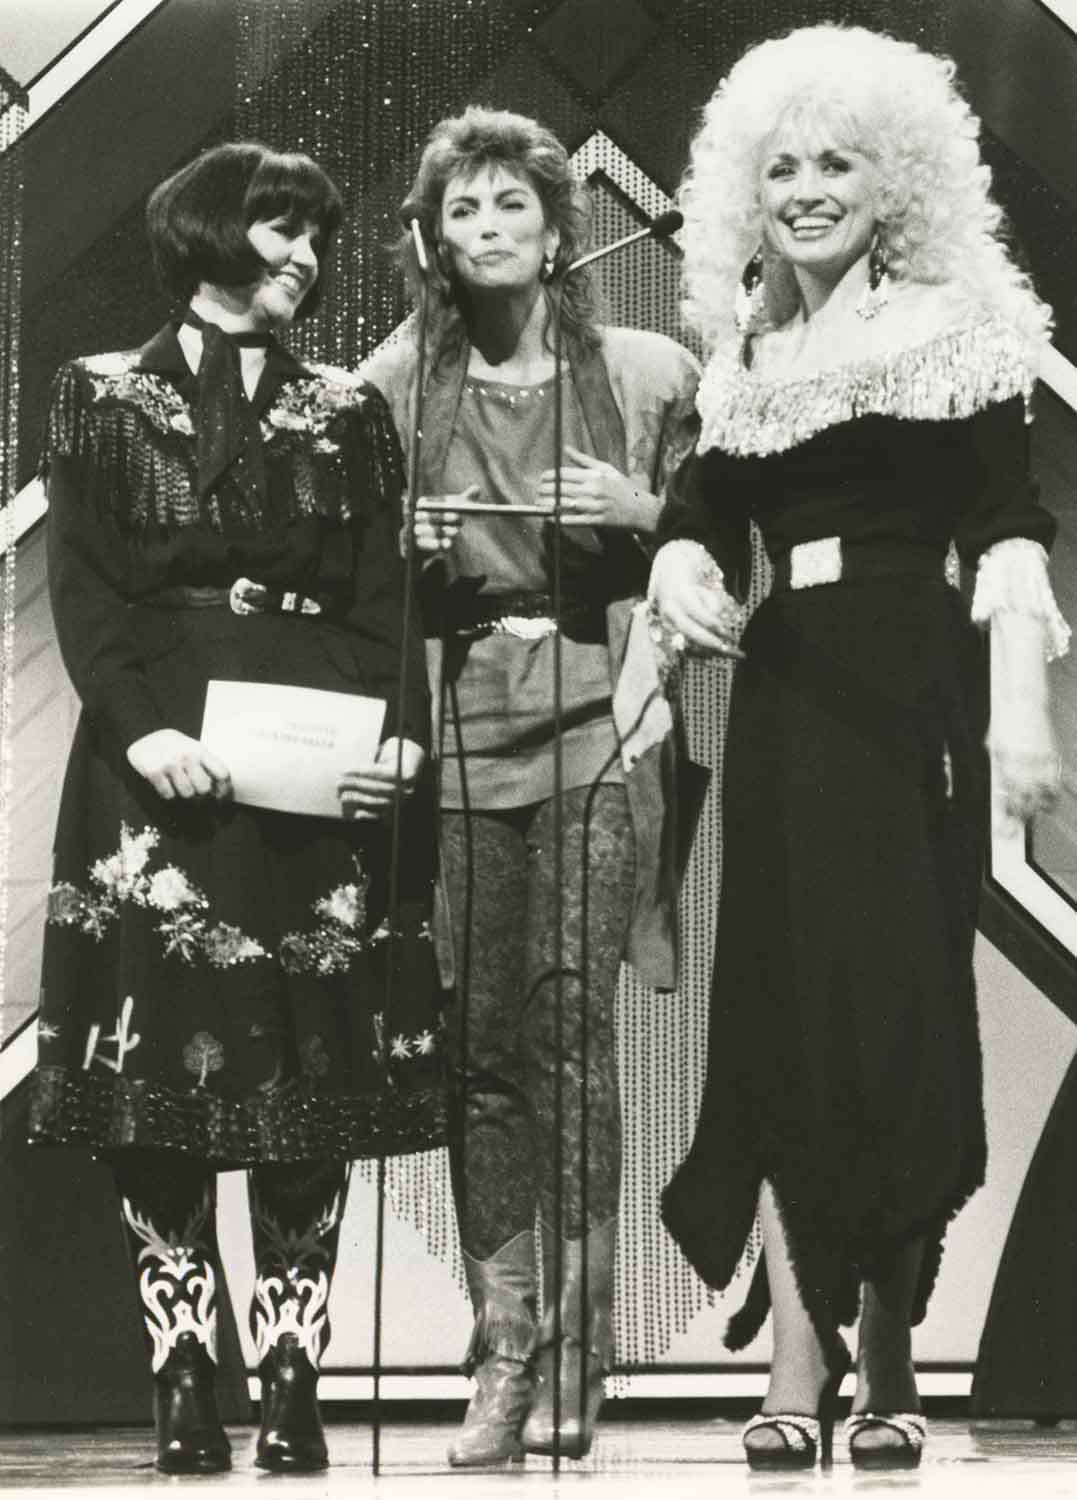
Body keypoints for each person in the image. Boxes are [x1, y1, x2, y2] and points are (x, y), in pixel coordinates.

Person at [649, 25, 1069, 1472]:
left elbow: (1010, 527)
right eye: (782, 170)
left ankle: (885, 1349)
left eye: (837, 164)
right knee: (774, 1023)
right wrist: (680, 564)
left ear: (894, 182)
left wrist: (1021, 715)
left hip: (911, 699)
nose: (807, 190)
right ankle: (795, 1357)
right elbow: (702, 512)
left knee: (892, 1027)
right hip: (785, 701)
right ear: (746, 193)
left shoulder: (959, 329)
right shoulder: (749, 353)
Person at [28, 141, 443, 1475]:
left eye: (316, 237)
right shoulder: (97, 392)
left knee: (305, 1079)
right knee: (158, 1083)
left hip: (313, 777)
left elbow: (386, 595)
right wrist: (143, 729)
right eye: (280, 231)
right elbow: (85, 584)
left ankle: (292, 1373)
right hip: (153, 769)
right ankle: (182, 1373)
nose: (306, 259)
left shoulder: (349, 408)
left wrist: (401, 737)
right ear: (211, 234)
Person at [365, 106, 702, 1465]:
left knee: (568, 1032)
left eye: (513, 204)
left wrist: (639, 519)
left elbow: (722, 558)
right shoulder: (397, 384)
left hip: (598, 732)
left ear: (561, 229)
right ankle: (502, 1346)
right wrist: (402, 549)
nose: (489, 227)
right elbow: (353, 578)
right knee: (479, 1049)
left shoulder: (649, 374)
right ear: (431, 242)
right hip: (460, 744)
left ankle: (581, 1341)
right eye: (463, 209)